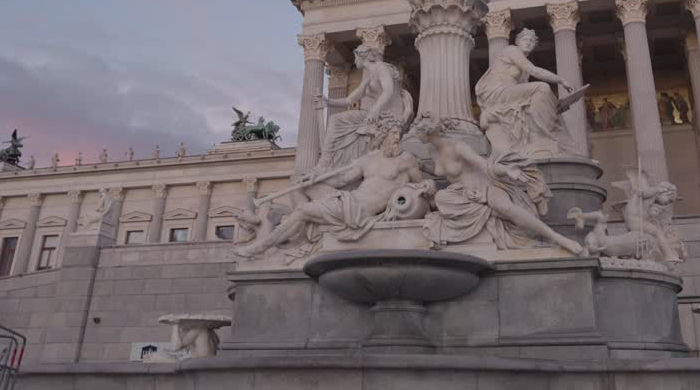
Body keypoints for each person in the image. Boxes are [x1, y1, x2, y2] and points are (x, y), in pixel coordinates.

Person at [235, 117, 428, 257]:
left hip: (359, 212)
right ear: (383, 135)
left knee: (302, 211)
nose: (397, 137)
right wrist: (316, 177)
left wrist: (430, 186)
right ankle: (299, 234)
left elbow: (422, 186)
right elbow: (341, 181)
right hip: (347, 201)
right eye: (393, 133)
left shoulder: (406, 159)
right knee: (300, 183)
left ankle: (263, 246)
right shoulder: (367, 160)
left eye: (398, 133)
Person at [414, 114, 582, 255]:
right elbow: (442, 171)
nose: (414, 133)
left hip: (483, 188)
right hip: (460, 193)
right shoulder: (432, 151)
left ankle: (558, 238)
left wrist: (507, 170)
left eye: (417, 130)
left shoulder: (458, 147)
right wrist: (423, 168)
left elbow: (485, 165)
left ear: (428, 132)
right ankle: (487, 214)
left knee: (505, 207)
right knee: (441, 197)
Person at [474, 28, 577, 158]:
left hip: (509, 93)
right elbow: (535, 71)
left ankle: (550, 140)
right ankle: (546, 135)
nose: (528, 42)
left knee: (541, 98)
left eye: (532, 41)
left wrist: (554, 105)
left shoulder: (523, 71)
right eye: (525, 39)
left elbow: (529, 95)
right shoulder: (512, 50)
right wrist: (561, 80)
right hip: (497, 92)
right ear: (517, 42)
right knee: (542, 87)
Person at [314, 44, 412, 173]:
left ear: (362, 57)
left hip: (390, 115)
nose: (355, 61)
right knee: (335, 120)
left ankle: (325, 164)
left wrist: (374, 110)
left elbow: (388, 91)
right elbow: (350, 100)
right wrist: (328, 101)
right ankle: (325, 164)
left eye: (355, 57)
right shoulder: (368, 77)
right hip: (376, 114)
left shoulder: (381, 68)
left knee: (337, 121)